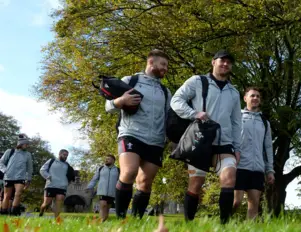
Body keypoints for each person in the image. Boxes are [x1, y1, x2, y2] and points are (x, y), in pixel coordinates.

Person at [171, 49, 242, 223]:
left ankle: (224, 226)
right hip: (200, 140)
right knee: (195, 185)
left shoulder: (234, 92)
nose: (225, 64)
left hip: (224, 143)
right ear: (213, 62)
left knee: (229, 178)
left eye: (228, 62)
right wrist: (194, 113)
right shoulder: (197, 81)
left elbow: (236, 122)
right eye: (221, 60)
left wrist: (237, 147)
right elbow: (176, 101)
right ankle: (189, 223)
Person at [105, 49, 171, 219]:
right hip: (131, 133)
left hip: (156, 141)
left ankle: (136, 221)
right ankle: (121, 218)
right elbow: (108, 106)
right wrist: (121, 101)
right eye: (163, 64)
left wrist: (171, 139)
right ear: (151, 63)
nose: (165, 69)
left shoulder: (165, 91)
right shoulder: (130, 81)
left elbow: (168, 118)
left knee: (145, 183)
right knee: (129, 172)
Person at [232, 87, 275, 220]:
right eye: (252, 96)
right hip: (239, 166)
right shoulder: (237, 117)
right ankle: (223, 224)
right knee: (236, 202)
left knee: (254, 205)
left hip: (257, 168)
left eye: (257, 96)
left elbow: (268, 147)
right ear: (245, 99)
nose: (255, 98)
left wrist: (269, 170)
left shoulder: (264, 122)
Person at [0, 134, 34, 216]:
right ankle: (4, 213)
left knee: (18, 194)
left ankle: (14, 212)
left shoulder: (28, 155)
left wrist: (28, 179)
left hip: (20, 177)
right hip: (8, 177)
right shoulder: (9, 151)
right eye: (26, 144)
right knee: (7, 196)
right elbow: (1, 162)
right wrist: (5, 170)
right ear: (20, 144)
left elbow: (29, 168)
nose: (27, 145)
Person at [39, 149, 75, 218]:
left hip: (62, 186)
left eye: (67, 156)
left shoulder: (67, 166)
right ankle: (41, 211)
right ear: (59, 154)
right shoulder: (51, 161)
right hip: (51, 185)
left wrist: (67, 182)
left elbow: (71, 176)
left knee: (59, 201)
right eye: (64, 155)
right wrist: (48, 176)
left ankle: (57, 219)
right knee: (46, 203)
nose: (65, 157)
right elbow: (42, 170)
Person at [86, 154, 120, 222]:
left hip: (112, 192)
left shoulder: (117, 170)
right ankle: (100, 221)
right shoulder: (101, 168)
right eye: (106, 159)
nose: (106, 160)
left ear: (113, 161)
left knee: (107, 208)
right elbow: (95, 179)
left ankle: (104, 221)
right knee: (103, 205)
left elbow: (120, 181)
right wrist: (89, 187)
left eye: (108, 159)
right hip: (102, 191)